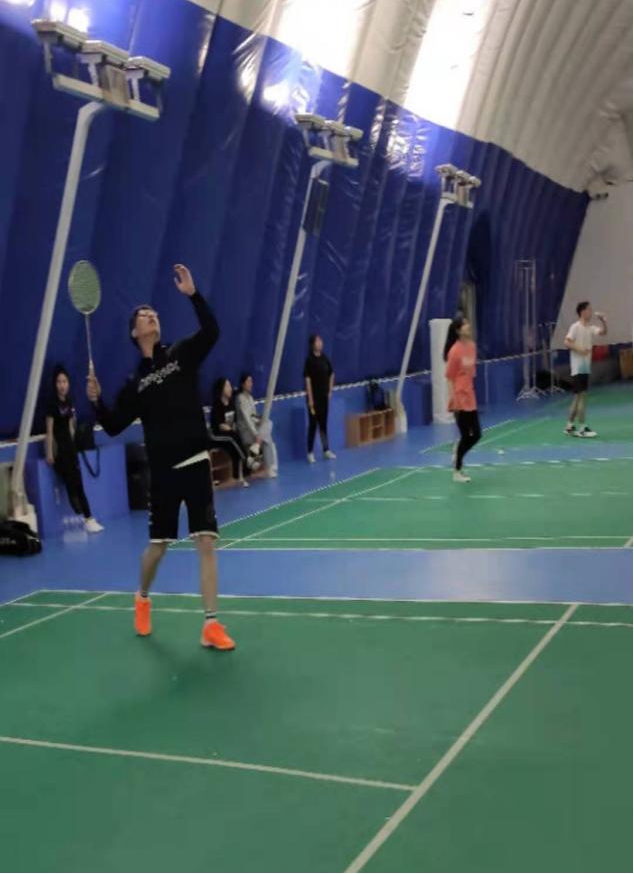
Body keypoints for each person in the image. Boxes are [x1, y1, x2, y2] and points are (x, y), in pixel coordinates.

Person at [86, 264, 235, 651]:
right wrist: (96, 402)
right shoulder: (135, 384)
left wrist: (193, 295)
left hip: (196, 462)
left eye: (153, 312)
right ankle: (142, 597)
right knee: (158, 546)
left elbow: (212, 331)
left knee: (206, 541)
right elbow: (114, 425)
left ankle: (211, 623)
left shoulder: (181, 354)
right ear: (135, 333)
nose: (151, 315)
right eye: (143, 315)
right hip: (164, 473)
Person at [45, 365, 103, 533]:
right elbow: (49, 431)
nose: (62, 385)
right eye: (59, 382)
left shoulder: (69, 401)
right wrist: (49, 452)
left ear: (68, 383)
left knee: (79, 484)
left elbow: (71, 426)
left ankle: (89, 519)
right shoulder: (52, 404)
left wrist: (75, 445)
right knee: (72, 483)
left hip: (71, 449)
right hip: (60, 451)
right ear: (55, 384)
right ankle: (84, 513)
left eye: (64, 381)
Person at [444, 315, 480, 483]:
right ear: (458, 330)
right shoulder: (454, 351)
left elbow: (471, 372)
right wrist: (454, 399)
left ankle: (458, 450)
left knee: (476, 434)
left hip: (470, 395)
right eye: (464, 324)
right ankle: (457, 471)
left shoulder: (472, 347)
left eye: (468, 323)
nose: (468, 326)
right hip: (459, 396)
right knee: (466, 435)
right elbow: (449, 378)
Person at [564, 302, 607, 437]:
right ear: (582, 312)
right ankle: (582, 429)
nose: (590, 312)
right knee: (582, 397)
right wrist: (580, 349)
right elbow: (567, 341)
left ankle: (569, 427)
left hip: (585, 367)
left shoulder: (589, 328)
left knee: (577, 398)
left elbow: (603, 332)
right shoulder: (575, 327)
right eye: (588, 309)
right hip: (578, 367)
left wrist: (603, 321)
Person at [209, 377, 261, 486]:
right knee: (233, 438)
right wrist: (232, 430)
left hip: (230, 434)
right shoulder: (217, 404)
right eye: (227, 386)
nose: (230, 388)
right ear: (221, 389)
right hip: (217, 435)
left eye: (230, 386)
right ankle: (248, 460)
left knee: (235, 443)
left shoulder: (231, 403)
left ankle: (239, 475)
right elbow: (221, 426)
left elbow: (235, 421)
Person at [236, 373, 279, 478]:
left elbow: (253, 416)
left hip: (255, 431)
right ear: (243, 384)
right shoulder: (240, 399)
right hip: (246, 432)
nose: (251, 384)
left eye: (251, 381)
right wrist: (257, 435)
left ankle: (258, 446)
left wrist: (259, 420)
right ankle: (270, 467)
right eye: (248, 381)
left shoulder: (250, 398)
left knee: (268, 423)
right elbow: (247, 420)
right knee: (267, 439)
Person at [304, 334, 336, 463]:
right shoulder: (309, 360)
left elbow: (332, 374)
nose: (320, 343)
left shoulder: (325, 358)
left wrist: (330, 390)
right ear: (313, 344)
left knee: (323, 424)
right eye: (318, 341)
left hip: (324, 398)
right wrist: (310, 399)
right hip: (314, 399)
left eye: (320, 341)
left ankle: (326, 450)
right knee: (313, 424)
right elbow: (307, 380)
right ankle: (310, 452)